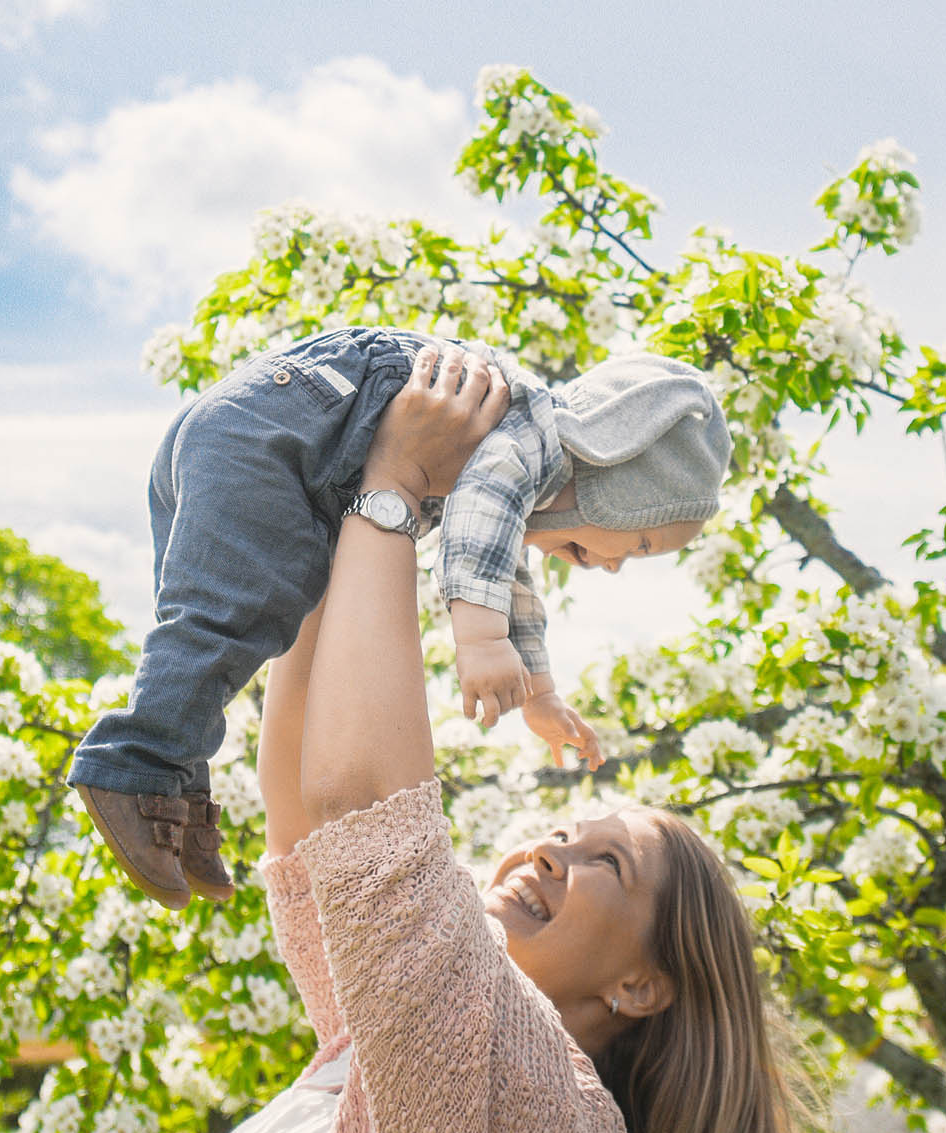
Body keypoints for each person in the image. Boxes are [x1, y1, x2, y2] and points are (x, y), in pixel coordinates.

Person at [111, 349, 823, 1133]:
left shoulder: (551, 1121)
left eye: (604, 864)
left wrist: (394, 496)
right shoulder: (392, 1053)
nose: (548, 851)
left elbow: (359, 806)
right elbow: (311, 811)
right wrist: (351, 490)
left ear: (642, 985)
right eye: (561, 827)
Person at [72, 331, 730, 908]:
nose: (617, 565)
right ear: (619, 473)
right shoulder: (529, 436)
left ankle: (177, 786)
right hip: (268, 441)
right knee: (226, 621)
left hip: (248, 434)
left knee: (217, 625)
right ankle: (130, 763)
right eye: (641, 542)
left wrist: (539, 689)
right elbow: (483, 516)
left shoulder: (524, 467)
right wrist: (479, 641)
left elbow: (504, 565)